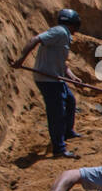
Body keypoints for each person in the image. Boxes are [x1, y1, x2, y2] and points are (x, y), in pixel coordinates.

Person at [11, 9, 83, 160]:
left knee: (70, 101)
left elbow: (62, 63)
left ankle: (67, 132)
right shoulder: (60, 32)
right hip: (48, 80)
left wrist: (73, 78)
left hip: (57, 78)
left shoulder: (64, 36)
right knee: (56, 114)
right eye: (77, 25)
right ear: (72, 24)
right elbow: (35, 39)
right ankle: (59, 149)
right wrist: (21, 60)